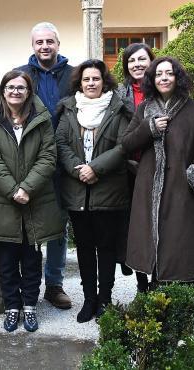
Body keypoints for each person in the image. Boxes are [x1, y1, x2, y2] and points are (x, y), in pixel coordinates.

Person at [0, 70, 64, 333]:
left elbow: (48, 157)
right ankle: (11, 308)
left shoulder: (42, 119)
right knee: (6, 262)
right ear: (3, 91)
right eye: (10, 87)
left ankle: (29, 307)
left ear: (29, 92)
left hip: (35, 199)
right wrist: (13, 190)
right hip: (2, 200)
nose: (15, 92)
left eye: (21, 88)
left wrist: (27, 188)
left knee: (31, 259)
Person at [122, 57, 194, 283]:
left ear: (178, 77)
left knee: (181, 241)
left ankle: (183, 297)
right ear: (151, 79)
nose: (163, 78)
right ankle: (156, 295)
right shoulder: (144, 109)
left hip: (182, 187)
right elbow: (127, 143)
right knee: (152, 239)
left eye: (169, 73)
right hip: (149, 187)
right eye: (158, 74)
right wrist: (149, 127)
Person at [55, 60, 129, 322]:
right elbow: (61, 143)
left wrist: (95, 168)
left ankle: (105, 300)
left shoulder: (118, 109)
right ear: (79, 82)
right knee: (85, 247)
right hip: (77, 191)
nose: (91, 84)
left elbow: (123, 146)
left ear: (104, 81)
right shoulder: (68, 109)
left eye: (96, 79)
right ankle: (89, 300)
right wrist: (78, 170)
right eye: (86, 79)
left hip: (109, 190)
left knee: (107, 248)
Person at [16, 21, 73, 310]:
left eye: (49, 41)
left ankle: (54, 285)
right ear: (33, 45)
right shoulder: (21, 76)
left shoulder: (74, 75)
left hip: (64, 162)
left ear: (58, 44)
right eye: (39, 42)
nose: (44, 46)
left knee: (58, 226)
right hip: (31, 161)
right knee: (28, 224)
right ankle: (28, 287)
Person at [115, 43, 156, 293]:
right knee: (135, 224)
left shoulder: (163, 89)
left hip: (156, 165)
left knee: (157, 223)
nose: (137, 64)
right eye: (131, 60)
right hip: (128, 167)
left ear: (152, 61)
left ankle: (159, 277)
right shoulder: (119, 95)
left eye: (142, 59)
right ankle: (142, 281)